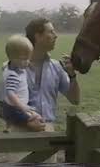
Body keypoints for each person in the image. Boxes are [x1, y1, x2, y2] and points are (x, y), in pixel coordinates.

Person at [9, 18, 81, 163]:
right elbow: (2, 108)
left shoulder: (57, 67)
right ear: (38, 36)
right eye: (51, 31)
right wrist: (26, 122)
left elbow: (75, 100)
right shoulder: (12, 68)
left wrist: (72, 75)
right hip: (20, 134)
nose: (56, 35)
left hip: (48, 135)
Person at [0, 35, 45, 132]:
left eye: (28, 58)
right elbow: (10, 93)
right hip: (14, 109)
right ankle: (14, 127)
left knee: (35, 114)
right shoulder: (12, 75)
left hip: (12, 106)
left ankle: (10, 126)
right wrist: (23, 107)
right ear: (11, 58)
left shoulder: (15, 66)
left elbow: (8, 64)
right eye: (24, 59)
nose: (27, 62)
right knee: (36, 121)